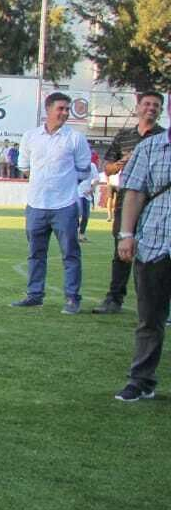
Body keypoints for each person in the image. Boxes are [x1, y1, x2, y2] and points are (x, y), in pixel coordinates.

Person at [11, 92, 91, 314]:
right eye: (61, 108)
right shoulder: (30, 137)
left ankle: (72, 298)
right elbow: (24, 166)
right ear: (48, 109)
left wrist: (63, 183)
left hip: (64, 206)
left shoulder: (75, 138)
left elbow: (84, 170)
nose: (65, 113)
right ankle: (35, 295)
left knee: (70, 254)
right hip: (36, 205)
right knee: (36, 253)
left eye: (67, 109)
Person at [113, 121, 171, 401]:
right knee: (150, 318)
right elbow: (134, 192)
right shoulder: (150, 147)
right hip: (155, 242)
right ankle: (141, 380)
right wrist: (126, 234)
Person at [96, 91, 165, 314]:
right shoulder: (124, 136)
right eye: (147, 104)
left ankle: (155, 304)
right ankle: (114, 299)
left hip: (157, 209)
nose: (151, 108)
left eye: (156, 105)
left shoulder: (164, 137)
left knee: (158, 257)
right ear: (138, 108)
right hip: (126, 203)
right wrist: (121, 163)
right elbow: (106, 168)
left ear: (161, 110)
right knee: (121, 252)